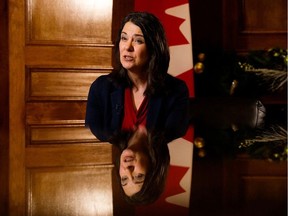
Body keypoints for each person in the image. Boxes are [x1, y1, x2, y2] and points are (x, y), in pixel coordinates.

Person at [85, 11, 190, 204]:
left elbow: (177, 128)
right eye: (124, 38)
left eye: (138, 40)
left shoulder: (175, 91)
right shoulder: (100, 88)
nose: (128, 46)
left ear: (153, 48)